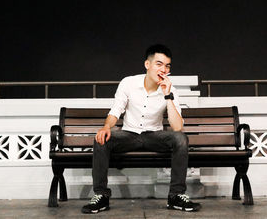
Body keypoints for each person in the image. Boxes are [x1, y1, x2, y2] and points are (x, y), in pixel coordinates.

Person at [81, 44, 201, 214]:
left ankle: (176, 195)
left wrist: (168, 95)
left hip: (154, 136)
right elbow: (116, 111)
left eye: (167, 66)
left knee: (181, 139)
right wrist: (106, 127)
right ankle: (101, 196)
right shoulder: (128, 83)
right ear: (147, 65)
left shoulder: (170, 89)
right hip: (129, 135)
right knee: (101, 139)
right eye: (159, 64)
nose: (163, 69)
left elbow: (177, 127)